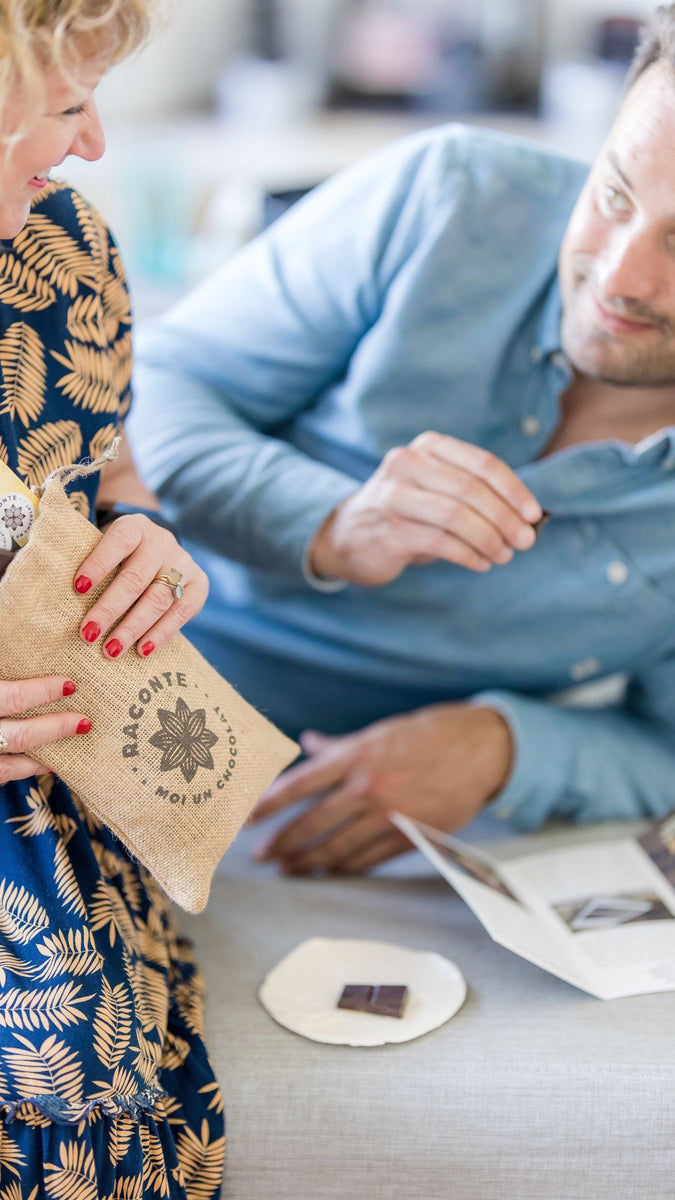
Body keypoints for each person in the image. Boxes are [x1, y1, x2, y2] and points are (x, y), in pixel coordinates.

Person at [130, 5, 675, 876]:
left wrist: (504, 747)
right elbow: (151, 381)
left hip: (301, 831)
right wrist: (331, 525)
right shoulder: (450, 192)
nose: (618, 277)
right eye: (613, 194)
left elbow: (665, 744)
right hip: (114, 668)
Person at [0, 1, 224, 1193]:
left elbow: (105, 468)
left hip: (75, 770)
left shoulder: (66, 245)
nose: (91, 147)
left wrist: (144, 533)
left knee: (95, 1052)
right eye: (66, 105)